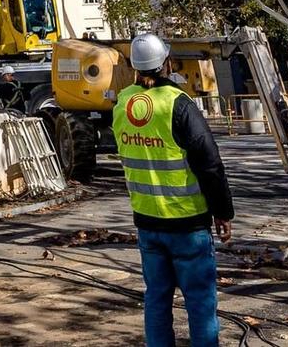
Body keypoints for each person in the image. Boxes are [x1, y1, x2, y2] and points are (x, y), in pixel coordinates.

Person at [113, 32, 233, 347]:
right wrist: (222, 213)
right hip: (187, 222)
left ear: (135, 67)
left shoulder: (122, 103)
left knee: (156, 298)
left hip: (147, 223)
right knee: (200, 301)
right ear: (167, 62)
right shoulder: (178, 104)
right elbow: (209, 164)